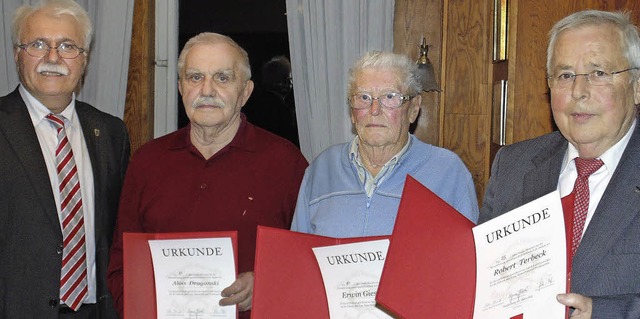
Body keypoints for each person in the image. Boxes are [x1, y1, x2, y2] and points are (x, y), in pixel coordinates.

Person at [107, 32, 308, 318]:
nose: (207, 90)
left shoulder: (286, 164)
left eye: (223, 78)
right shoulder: (147, 162)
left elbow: (307, 264)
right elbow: (121, 264)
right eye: (195, 77)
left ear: (246, 92)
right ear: (180, 87)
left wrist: (267, 283)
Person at [480, 10, 640, 318]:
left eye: (599, 73)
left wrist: (607, 312)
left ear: (635, 86)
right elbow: (481, 278)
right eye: (565, 75)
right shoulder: (512, 166)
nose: (578, 92)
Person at [0, 0, 129, 317]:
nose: (53, 58)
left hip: (94, 310)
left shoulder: (111, 132)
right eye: (39, 44)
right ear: (18, 54)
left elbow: (117, 231)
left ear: (84, 60)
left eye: (68, 46)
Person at [291, 51, 479, 238]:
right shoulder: (322, 169)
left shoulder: (448, 172)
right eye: (364, 97)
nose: (374, 110)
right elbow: (297, 256)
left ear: (413, 109)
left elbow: (467, 260)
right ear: (352, 112)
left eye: (390, 97)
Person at [243, 56, 299, 147]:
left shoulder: (257, 102)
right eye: (288, 80)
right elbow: (288, 133)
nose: (290, 84)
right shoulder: (277, 105)